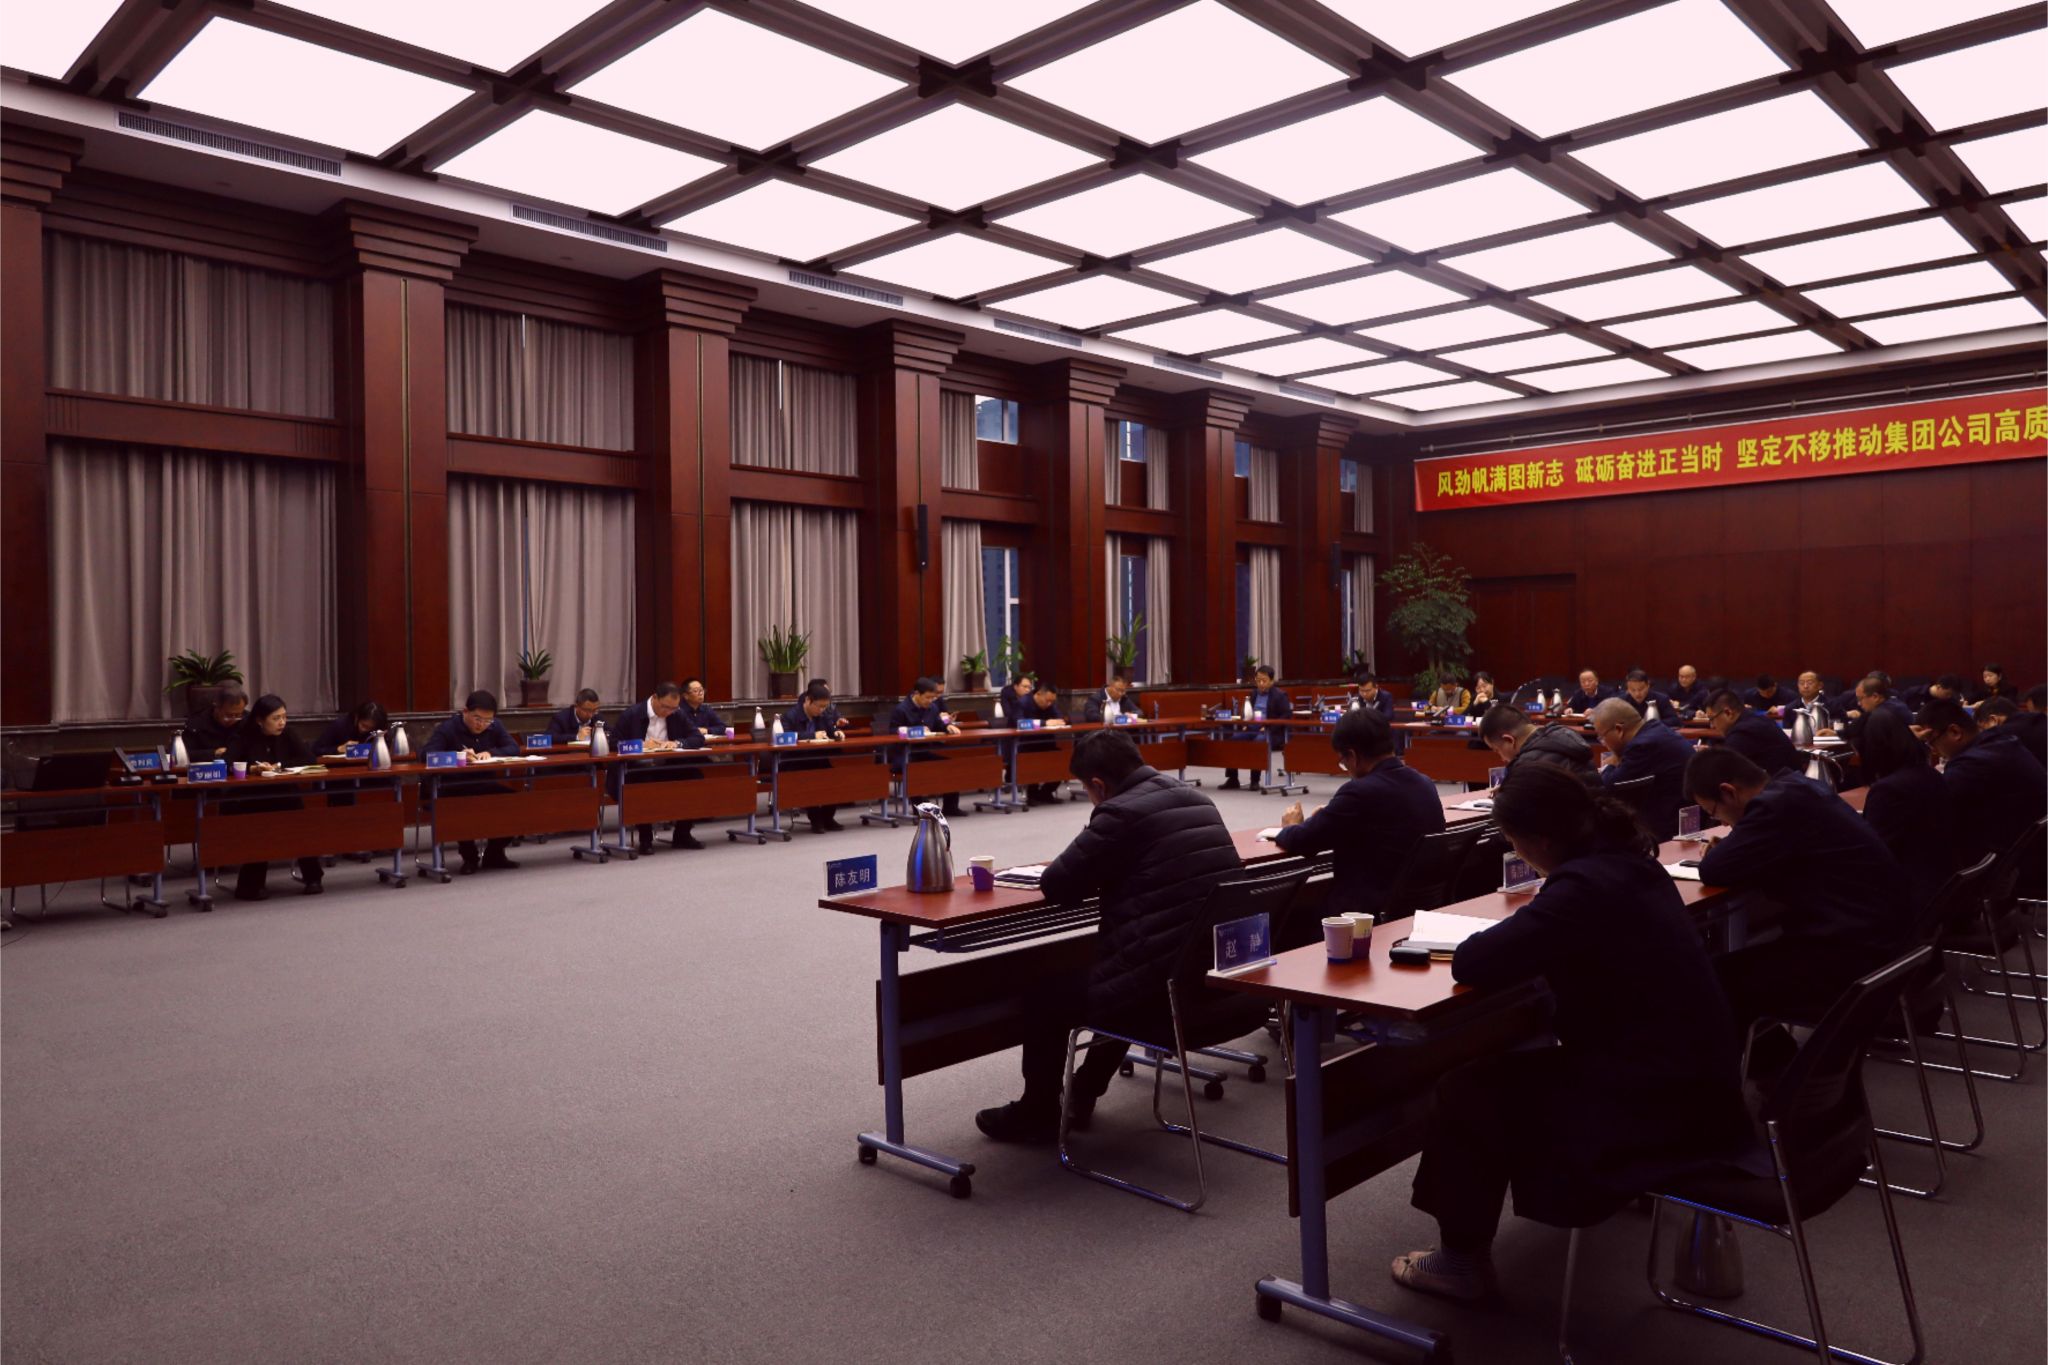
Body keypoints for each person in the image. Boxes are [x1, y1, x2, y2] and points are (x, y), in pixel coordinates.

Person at [1393, 764, 1749, 1303]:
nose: (1513, 850)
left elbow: (1474, 961)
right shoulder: (1631, 863)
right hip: (1695, 1075)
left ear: (1540, 839)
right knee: (1508, 1066)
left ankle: (1459, 1264)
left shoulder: (1583, 887)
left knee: (1467, 1089)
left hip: (1654, 1095)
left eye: (1512, 839)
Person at [974, 730, 1240, 1143]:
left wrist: (1098, 830)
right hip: (1216, 985)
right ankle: (1083, 1093)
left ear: (1098, 785)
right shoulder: (1197, 799)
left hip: (1164, 996)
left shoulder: (1119, 813)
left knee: (1051, 995)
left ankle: (1038, 1113)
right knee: (1121, 974)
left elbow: (1058, 884)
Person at [1686, 748, 1912, 1035]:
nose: (1721, 823)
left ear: (1728, 792)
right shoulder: (1796, 786)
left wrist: (1729, 849)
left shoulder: (1774, 807)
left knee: (1713, 980)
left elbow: (1713, 870)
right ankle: (1778, 1058)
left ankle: (1779, 1061)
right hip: (1888, 939)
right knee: (1730, 972)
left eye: (1713, 812)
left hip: (1854, 954)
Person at [1274, 707, 1445, 919]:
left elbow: (1303, 840)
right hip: (1416, 909)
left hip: (1364, 918)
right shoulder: (1425, 783)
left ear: (1353, 756)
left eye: (1342, 761)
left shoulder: (1358, 792)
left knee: (1288, 918)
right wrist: (1331, 815)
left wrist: (1291, 825)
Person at [1918, 696, 2048, 868]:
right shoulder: (2001, 742)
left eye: (1930, 742)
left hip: (2011, 863)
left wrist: (1910, 749)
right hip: (2029, 849)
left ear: (1955, 732)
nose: (1933, 750)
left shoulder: (1972, 765)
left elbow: (1928, 810)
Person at [1854, 707, 1956, 919]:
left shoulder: (1889, 790)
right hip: (1942, 886)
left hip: (1910, 898)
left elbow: (1874, 855)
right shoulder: (1929, 774)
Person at [224, 694, 326, 901]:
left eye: (284, 717)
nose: (282, 723)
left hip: (285, 792)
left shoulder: (288, 734)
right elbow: (226, 764)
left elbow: (309, 759)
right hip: (253, 797)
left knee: (300, 827)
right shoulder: (243, 735)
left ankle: (313, 878)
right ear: (260, 720)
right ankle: (251, 885)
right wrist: (252, 769)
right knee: (260, 831)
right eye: (276, 718)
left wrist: (280, 766)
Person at [423, 690, 521, 874]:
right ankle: (469, 858)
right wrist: (457, 756)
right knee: (462, 808)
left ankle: (494, 853)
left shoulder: (495, 726)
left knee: (515, 803)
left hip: (485, 783)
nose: (482, 724)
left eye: (487, 720)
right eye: (477, 718)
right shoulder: (448, 728)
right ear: (465, 712)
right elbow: (426, 754)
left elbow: (514, 748)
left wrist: (491, 753)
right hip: (454, 786)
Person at [616, 681, 706, 853]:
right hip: (636, 769)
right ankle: (645, 839)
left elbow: (697, 738)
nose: (668, 712)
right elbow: (614, 743)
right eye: (665, 707)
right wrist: (641, 746)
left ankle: (682, 834)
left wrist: (677, 743)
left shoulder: (677, 713)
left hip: (667, 766)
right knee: (643, 784)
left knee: (694, 777)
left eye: (673, 708)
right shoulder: (632, 714)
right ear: (655, 698)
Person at [1591, 696, 1693, 841]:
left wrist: (1611, 764)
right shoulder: (1655, 730)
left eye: (1602, 737)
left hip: (1673, 828)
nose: (1603, 743)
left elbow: (1609, 787)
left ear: (1619, 729)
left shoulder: (1642, 746)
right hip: (1682, 814)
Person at [883, 677, 967, 817]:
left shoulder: (932, 708)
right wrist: (915, 731)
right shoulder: (901, 709)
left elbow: (939, 724)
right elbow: (893, 732)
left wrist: (948, 726)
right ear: (917, 693)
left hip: (922, 752)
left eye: (933, 698)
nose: (930, 701)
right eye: (927, 697)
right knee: (915, 769)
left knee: (949, 765)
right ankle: (921, 808)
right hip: (903, 754)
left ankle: (950, 807)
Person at [780, 681, 849, 831]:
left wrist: (837, 733)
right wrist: (812, 735)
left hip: (817, 758)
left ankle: (828, 818)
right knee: (810, 779)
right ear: (808, 700)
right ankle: (816, 819)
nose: (822, 710)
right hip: (795, 761)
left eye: (825, 707)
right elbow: (785, 736)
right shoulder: (790, 716)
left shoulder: (822, 715)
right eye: (819, 706)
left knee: (834, 778)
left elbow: (830, 730)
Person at [1478, 704, 1599, 787]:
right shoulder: (1567, 736)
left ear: (1509, 740)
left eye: (1497, 750)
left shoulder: (1527, 766)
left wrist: (1508, 794)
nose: (1502, 758)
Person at [1222, 664, 1292, 791]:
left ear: (1271, 681)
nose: (1261, 684)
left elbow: (1286, 716)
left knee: (1258, 742)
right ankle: (1232, 779)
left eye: (1264, 681)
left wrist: (1269, 727)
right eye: (1258, 680)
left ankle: (1255, 780)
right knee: (1233, 740)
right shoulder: (1253, 694)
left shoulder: (1280, 695)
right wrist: (1245, 723)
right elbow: (1248, 712)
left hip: (1270, 732)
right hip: (1252, 729)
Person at [1705, 689, 1797, 775]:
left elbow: (1722, 770)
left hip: (1784, 784)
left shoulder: (1743, 733)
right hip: (1790, 780)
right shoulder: (1755, 719)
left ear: (1728, 713)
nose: (1712, 726)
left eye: (1712, 719)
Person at [1012, 679, 1068, 805]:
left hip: (1046, 742)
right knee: (1033, 759)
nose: (1049, 704)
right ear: (1038, 694)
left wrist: (1059, 721)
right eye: (1047, 700)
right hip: (1026, 743)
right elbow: (1019, 723)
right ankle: (1032, 794)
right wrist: (1044, 723)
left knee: (1061, 758)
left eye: (1052, 701)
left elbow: (1059, 719)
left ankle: (1045, 793)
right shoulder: (1022, 703)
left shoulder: (1050, 704)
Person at [180, 684, 248, 760]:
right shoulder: (196, 723)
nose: (233, 719)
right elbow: (183, 754)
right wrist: (214, 753)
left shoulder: (248, 720)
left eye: (238, 715)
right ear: (216, 707)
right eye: (229, 715)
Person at [1979, 695, 2047, 766]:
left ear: (1993, 720)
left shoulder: (2004, 736)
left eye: (1982, 728)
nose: (1982, 733)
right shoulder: (2038, 719)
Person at [315, 700, 389, 754]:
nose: (365, 730)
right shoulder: (340, 725)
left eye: (370, 728)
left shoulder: (379, 730)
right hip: (340, 766)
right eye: (363, 725)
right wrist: (338, 749)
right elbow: (316, 749)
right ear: (357, 717)